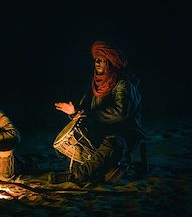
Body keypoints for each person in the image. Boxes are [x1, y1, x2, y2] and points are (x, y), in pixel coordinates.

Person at [51, 40, 146, 184]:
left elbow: (120, 113)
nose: (97, 62)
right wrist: (73, 112)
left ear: (111, 62)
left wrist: (90, 116)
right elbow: (84, 110)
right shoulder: (96, 85)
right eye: (96, 59)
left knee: (112, 144)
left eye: (102, 60)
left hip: (124, 133)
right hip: (100, 131)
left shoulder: (124, 84)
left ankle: (76, 176)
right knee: (79, 143)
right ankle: (107, 173)